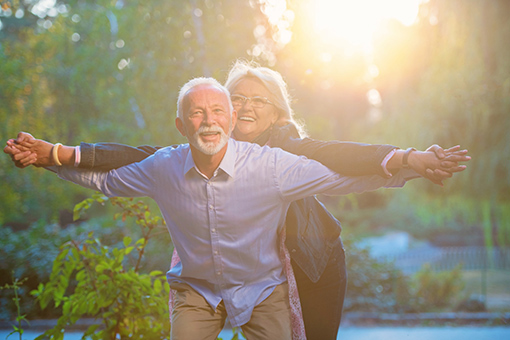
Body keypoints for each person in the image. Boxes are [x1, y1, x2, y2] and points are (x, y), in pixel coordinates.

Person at [5, 62, 469, 340]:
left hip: (305, 263)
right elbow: (132, 164)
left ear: (278, 112)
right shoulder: (179, 155)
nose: (244, 108)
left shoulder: (281, 157)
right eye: (236, 98)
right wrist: (53, 154)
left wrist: (407, 160)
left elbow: (338, 166)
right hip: (204, 280)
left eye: (257, 101)